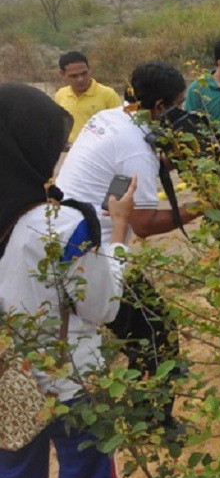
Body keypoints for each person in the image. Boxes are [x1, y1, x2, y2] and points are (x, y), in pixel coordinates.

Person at [0, 84, 135, 478]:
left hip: (8, 383)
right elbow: (103, 308)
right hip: (70, 383)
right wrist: (118, 232)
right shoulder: (61, 225)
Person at [57, 62, 205, 432]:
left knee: (146, 326)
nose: (178, 112)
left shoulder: (113, 117)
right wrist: (202, 206)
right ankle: (154, 420)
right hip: (94, 252)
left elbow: (121, 177)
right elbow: (142, 223)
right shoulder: (136, 147)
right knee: (155, 331)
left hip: (71, 235)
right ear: (158, 106)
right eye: (177, 104)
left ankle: (151, 372)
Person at [53, 51, 121, 148]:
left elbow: (120, 127)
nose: (80, 79)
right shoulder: (60, 94)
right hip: (70, 152)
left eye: (84, 73)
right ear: (62, 74)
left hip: (99, 151)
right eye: (74, 76)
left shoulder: (108, 94)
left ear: (89, 69)